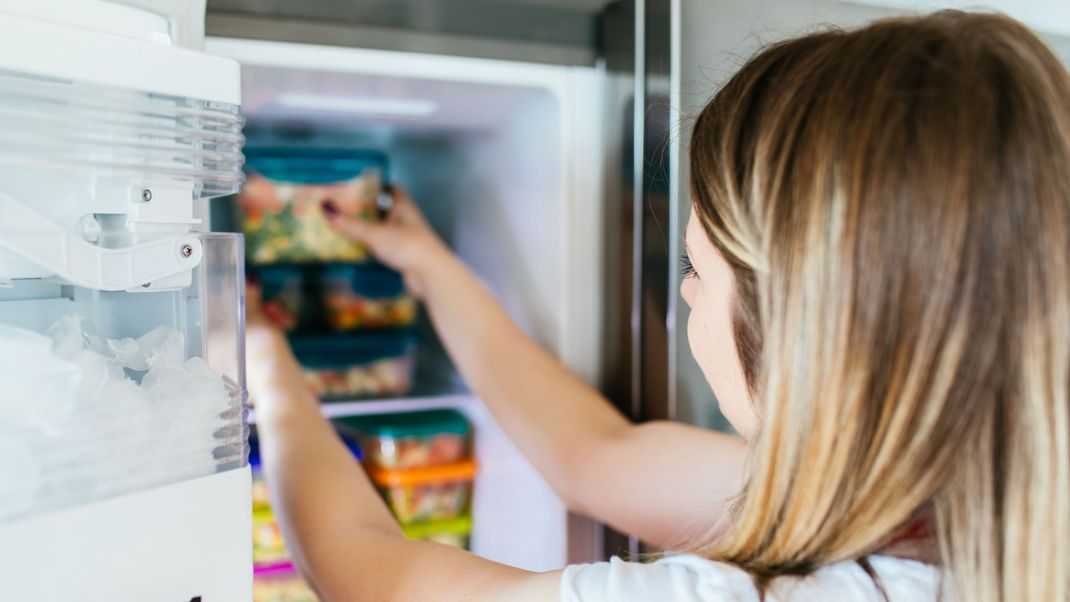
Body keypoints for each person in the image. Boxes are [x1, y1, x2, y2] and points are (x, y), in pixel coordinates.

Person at [246, 10, 1070, 601]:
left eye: (697, 269)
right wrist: (429, 265)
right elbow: (592, 454)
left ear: (803, 334)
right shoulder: (975, 510)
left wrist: (267, 369)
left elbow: (373, 577)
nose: (683, 290)